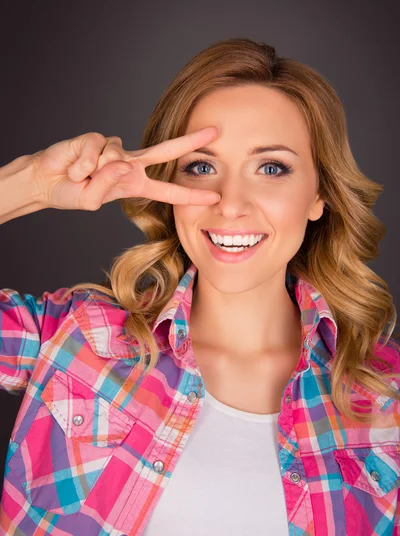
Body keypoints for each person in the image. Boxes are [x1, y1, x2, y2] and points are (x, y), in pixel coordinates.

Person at [0, 37, 399, 536]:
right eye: (202, 167)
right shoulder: (74, 337)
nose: (230, 203)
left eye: (271, 168)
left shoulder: (388, 396)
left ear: (319, 194)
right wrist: (30, 183)